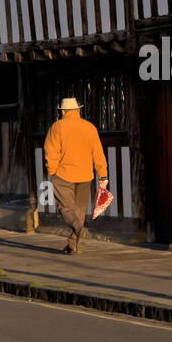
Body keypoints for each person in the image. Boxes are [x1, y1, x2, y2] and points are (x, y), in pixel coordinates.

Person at [43, 97, 108, 254]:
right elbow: (98, 153)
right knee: (79, 211)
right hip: (85, 175)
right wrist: (103, 175)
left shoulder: (57, 127)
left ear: (63, 111)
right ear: (78, 110)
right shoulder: (89, 127)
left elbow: (51, 152)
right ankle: (73, 244)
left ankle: (79, 229)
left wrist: (52, 172)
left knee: (65, 208)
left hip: (63, 174)